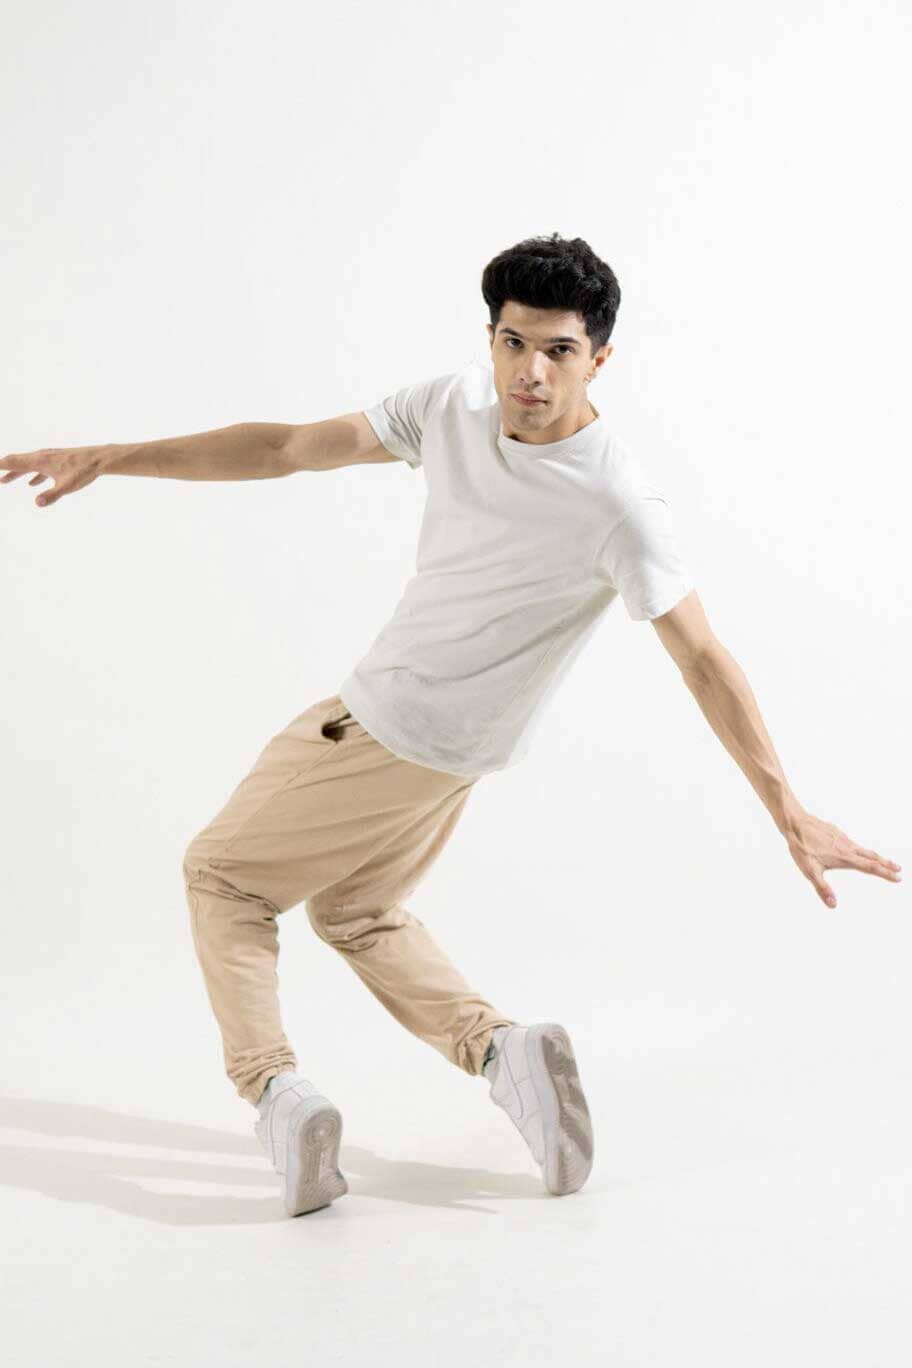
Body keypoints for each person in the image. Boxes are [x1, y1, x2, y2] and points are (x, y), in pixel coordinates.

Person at [2, 233, 901, 1218]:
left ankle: (276, 1093)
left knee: (221, 877)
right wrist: (113, 457)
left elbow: (702, 655)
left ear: (601, 359)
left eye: (558, 351)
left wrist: (787, 808)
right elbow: (287, 449)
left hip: (385, 724)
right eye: (514, 343)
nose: (530, 372)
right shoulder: (450, 408)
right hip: (455, 758)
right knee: (354, 911)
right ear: (491, 338)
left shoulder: (616, 502)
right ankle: (503, 1052)